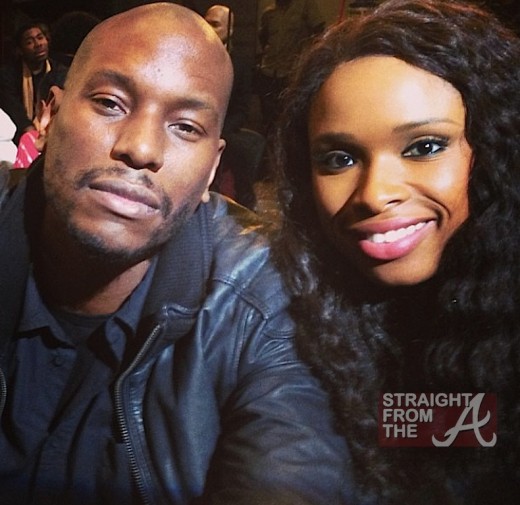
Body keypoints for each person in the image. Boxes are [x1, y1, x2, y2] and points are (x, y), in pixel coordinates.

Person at [0, 3, 351, 505]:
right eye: (110, 103)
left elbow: (293, 457)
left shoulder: (266, 303)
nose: (141, 149)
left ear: (212, 170)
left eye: (185, 127)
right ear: (49, 115)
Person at [272, 0, 520, 503]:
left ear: (498, 149)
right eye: (339, 158)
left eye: (424, 147)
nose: (374, 193)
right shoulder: (285, 309)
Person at [204, 4, 264, 209]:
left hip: (224, 129)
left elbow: (242, 108)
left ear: (229, 30)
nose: (208, 28)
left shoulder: (240, 63)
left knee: (243, 153)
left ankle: (244, 203)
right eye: (206, 22)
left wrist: (220, 131)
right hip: (195, 126)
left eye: (215, 24)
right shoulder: (193, 59)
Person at [257, 0, 325, 133]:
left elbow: (319, 30)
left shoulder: (305, 6)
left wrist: (307, 55)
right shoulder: (269, 13)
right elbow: (263, 37)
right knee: (268, 117)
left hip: (292, 72)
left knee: (289, 116)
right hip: (269, 70)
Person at [0, 21, 62, 144]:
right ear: (20, 50)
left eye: (40, 38)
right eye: (29, 42)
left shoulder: (60, 72)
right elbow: (14, 109)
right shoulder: (9, 75)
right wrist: (32, 135)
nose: (38, 44)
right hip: (19, 135)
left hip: (52, 134)